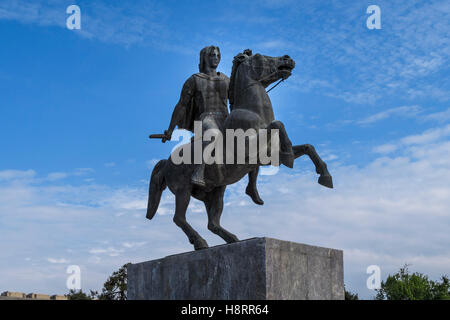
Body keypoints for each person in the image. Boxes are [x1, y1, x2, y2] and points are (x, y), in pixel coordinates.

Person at [162, 46, 264, 205]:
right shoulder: (194, 79)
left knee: (252, 139)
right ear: (204, 58)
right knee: (214, 136)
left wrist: (242, 63)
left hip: (226, 118)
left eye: (218, 55)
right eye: (212, 55)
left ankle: (252, 185)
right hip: (206, 118)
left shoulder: (225, 79)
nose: (215, 58)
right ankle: (200, 171)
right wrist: (170, 130)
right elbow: (182, 105)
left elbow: (237, 94)